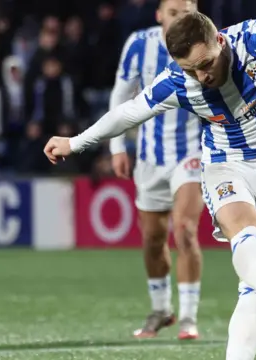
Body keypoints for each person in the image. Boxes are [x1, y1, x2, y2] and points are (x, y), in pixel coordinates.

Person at [44, 12, 256, 359]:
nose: (201, 76)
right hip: (227, 165)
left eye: (205, 63)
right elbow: (128, 112)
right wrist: (76, 142)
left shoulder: (254, 39)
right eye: (191, 69)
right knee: (246, 241)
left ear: (219, 41)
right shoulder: (178, 81)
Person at [108, 0, 203, 340]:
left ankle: (189, 318)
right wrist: (118, 146)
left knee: (185, 229)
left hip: (192, 152)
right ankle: (161, 310)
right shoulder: (139, 44)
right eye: (174, 12)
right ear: (159, 14)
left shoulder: (208, 41)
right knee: (152, 239)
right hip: (149, 156)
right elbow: (121, 95)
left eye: (187, 12)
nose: (180, 19)